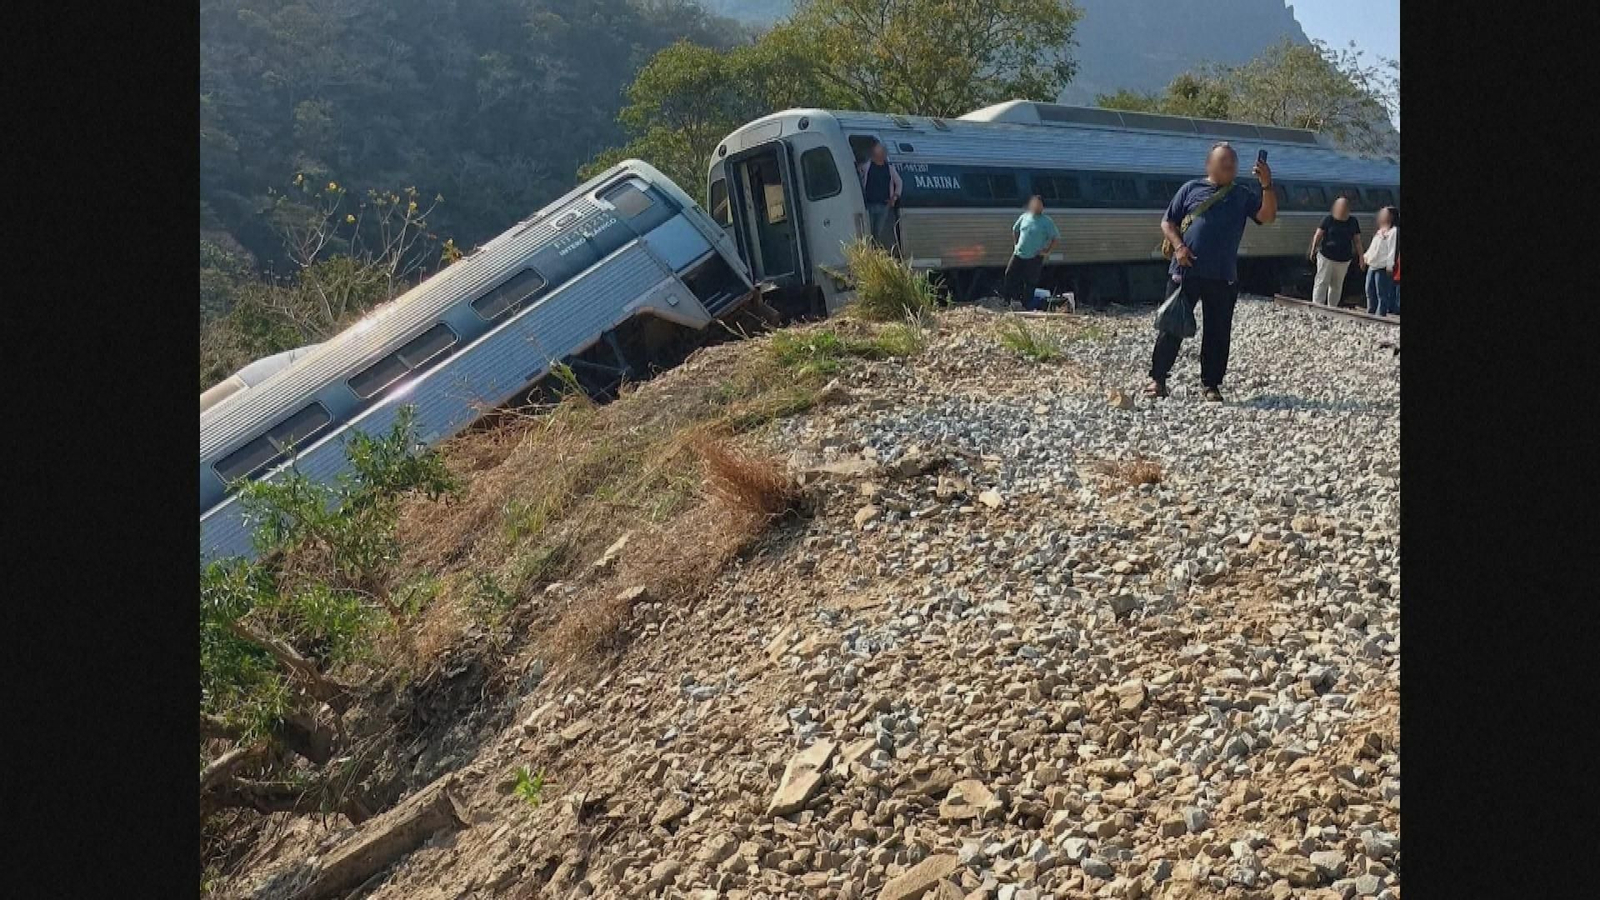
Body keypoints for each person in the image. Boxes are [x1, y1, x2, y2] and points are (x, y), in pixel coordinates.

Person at [1146, 142, 1277, 402]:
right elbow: (1168, 221)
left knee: (1218, 332)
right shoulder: (1190, 189)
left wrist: (1266, 185)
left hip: (1222, 274)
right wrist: (1179, 246)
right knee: (1171, 326)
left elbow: (1267, 216)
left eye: (1233, 162)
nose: (1229, 165)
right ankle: (1157, 379)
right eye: (1223, 161)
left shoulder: (1242, 194)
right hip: (1185, 271)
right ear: (1209, 164)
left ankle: (1211, 385)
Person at [1003, 195, 1060, 310]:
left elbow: (1056, 237)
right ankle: (1012, 299)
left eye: (1038, 204)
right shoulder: (1024, 217)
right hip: (1019, 253)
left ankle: (1026, 304)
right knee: (1010, 274)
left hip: (1035, 257)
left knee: (1030, 281)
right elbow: (1015, 229)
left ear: (1042, 206)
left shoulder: (1046, 222)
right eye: (1034, 203)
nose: (1035, 206)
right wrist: (1016, 244)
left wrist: (1047, 251)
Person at [1307, 196, 1364, 306]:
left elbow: (1357, 241)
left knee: (1337, 285)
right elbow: (1318, 235)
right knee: (1322, 281)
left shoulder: (1353, 221)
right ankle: (1317, 305)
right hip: (1326, 256)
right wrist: (1313, 249)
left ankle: (1332, 307)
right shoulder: (1328, 219)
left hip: (1344, 259)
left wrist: (1361, 257)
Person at [856, 141, 902, 253]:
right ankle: (869, 253)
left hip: (883, 206)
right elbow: (859, 171)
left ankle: (876, 253)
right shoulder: (868, 165)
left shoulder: (890, 169)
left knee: (878, 232)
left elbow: (899, 182)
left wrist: (894, 198)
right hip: (870, 204)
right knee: (869, 232)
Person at [1361, 206, 1399, 317]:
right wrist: (1365, 257)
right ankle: (1370, 311)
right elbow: (1373, 247)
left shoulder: (1393, 231)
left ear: (1391, 216)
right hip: (1372, 264)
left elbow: (1392, 249)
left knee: (1381, 292)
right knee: (1369, 289)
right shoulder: (1379, 231)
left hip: (1382, 266)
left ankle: (1380, 315)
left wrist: (1389, 266)